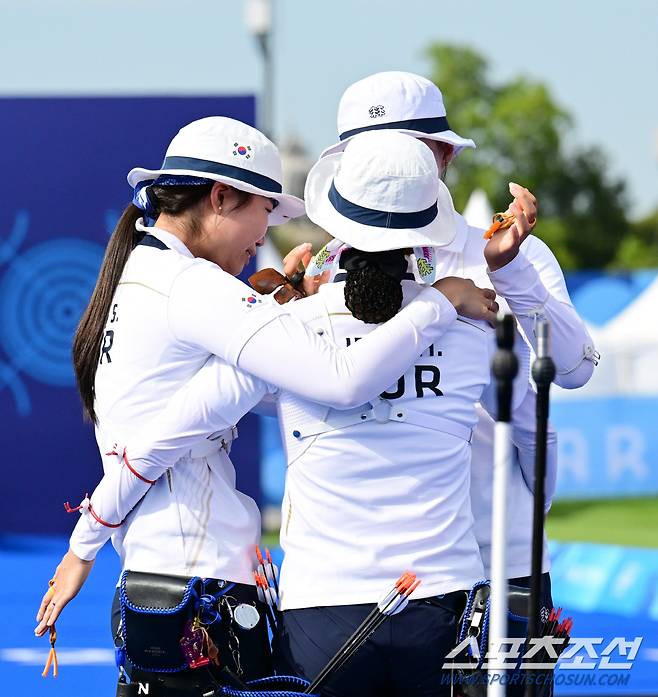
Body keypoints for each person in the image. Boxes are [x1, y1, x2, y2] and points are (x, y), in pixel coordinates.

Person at [35, 117, 495, 691]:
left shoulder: (143, 274)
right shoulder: (194, 287)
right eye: (265, 213)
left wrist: (282, 304)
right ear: (222, 196)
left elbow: (185, 413)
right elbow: (340, 378)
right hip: (203, 592)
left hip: (166, 581)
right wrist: (440, 302)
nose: (266, 236)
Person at [270, 130, 555, 697]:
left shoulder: (285, 330)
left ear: (337, 226)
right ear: (428, 232)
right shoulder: (477, 329)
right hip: (443, 601)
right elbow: (536, 441)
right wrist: (443, 301)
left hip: (321, 611)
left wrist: (279, 300)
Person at [318, 70, 598, 634]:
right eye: (370, 152)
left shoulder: (505, 250)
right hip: (364, 567)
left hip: (498, 552)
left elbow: (573, 369)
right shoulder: (327, 267)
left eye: (406, 150)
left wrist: (509, 271)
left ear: (443, 155)